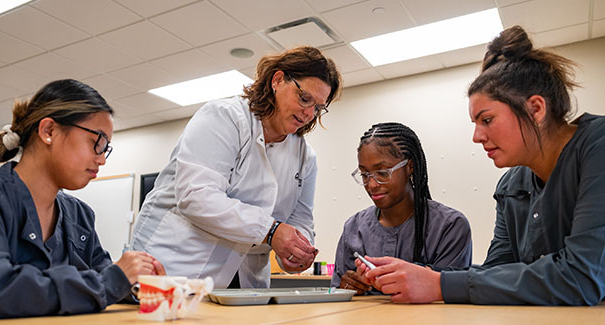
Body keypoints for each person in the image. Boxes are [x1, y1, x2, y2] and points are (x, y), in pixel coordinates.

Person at [356, 26, 605, 305]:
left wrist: (439, 283)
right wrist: (418, 276)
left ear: (536, 109)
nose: (476, 137)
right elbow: (496, 273)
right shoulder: (511, 186)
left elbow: (582, 277)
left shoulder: (597, 147)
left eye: (486, 120)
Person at [130, 46, 342, 288]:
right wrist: (271, 231)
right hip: (177, 265)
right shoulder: (224, 117)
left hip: (243, 280)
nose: (309, 113)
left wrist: (296, 251)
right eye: (305, 99)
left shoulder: (305, 157)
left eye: (317, 108)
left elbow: (300, 219)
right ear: (278, 80)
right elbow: (196, 196)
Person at [0, 79, 165, 319]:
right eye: (97, 141)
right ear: (49, 131)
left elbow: (102, 274)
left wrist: (136, 283)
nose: (102, 159)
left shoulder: (79, 214)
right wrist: (114, 280)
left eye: (106, 148)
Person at [332, 122, 472, 295]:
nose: (372, 185)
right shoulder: (354, 228)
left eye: (383, 173)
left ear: (409, 167)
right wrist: (348, 288)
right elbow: (337, 294)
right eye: (364, 174)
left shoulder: (449, 226)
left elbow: (453, 291)